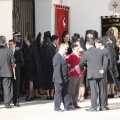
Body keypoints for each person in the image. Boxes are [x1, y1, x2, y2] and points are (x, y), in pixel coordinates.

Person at [79, 39, 108, 111]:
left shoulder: (86, 53)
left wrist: (82, 69)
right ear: (93, 44)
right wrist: (103, 69)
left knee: (94, 91)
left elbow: (81, 63)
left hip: (92, 74)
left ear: (87, 45)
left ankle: (94, 107)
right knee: (102, 90)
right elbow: (106, 61)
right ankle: (103, 106)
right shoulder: (101, 51)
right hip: (101, 73)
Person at [53, 43, 75, 111]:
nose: (67, 50)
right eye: (66, 49)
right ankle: (57, 107)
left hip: (64, 78)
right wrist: (59, 79)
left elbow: (64, 67)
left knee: (65, 92)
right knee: (58, 93)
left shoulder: (62, 56)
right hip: (59, 79)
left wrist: (67, 76)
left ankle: (67, 106)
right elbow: (57, 69)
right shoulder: (57, 56)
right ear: (61, 48)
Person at [66, 43, 84, 108]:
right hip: (73, 74)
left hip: (80, 74)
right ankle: (70, 102)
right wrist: (70, 69)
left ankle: (74, 101)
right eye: (77, 49)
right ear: (73, 49)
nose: (78, 50)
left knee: (77, 89)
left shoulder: (80, 55)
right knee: (72, 89)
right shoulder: (71, 56)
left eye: (79, 48)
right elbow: (65, 63)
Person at [95, 37, 111, 110]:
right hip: (96, 71)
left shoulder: (106, 51)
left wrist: (104, 69)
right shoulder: (96, 50)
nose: (95, 45)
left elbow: (108, 61)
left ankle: (104, 103)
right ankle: (98, 103)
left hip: (103, 71)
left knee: (103, 88)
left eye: (96, 44)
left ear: (100, 43)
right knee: (97, 88)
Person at [0, 36, 15, 108]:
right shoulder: (9, 51)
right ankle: (7, 104)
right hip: (7, 72)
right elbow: (13, 62)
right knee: (6, 88)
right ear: (5, 42)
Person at [9, 40, 24, 107]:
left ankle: (16, 100)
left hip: (16, 72)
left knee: (16, 86)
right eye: (9, 44)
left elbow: (22, 62)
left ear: (15, 44)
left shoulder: (19, 53)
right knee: (8, 87)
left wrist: (16, 65)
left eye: (11, 44)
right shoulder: (7, 52)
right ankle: (7, 101)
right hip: (8, 72)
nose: (10, 46)